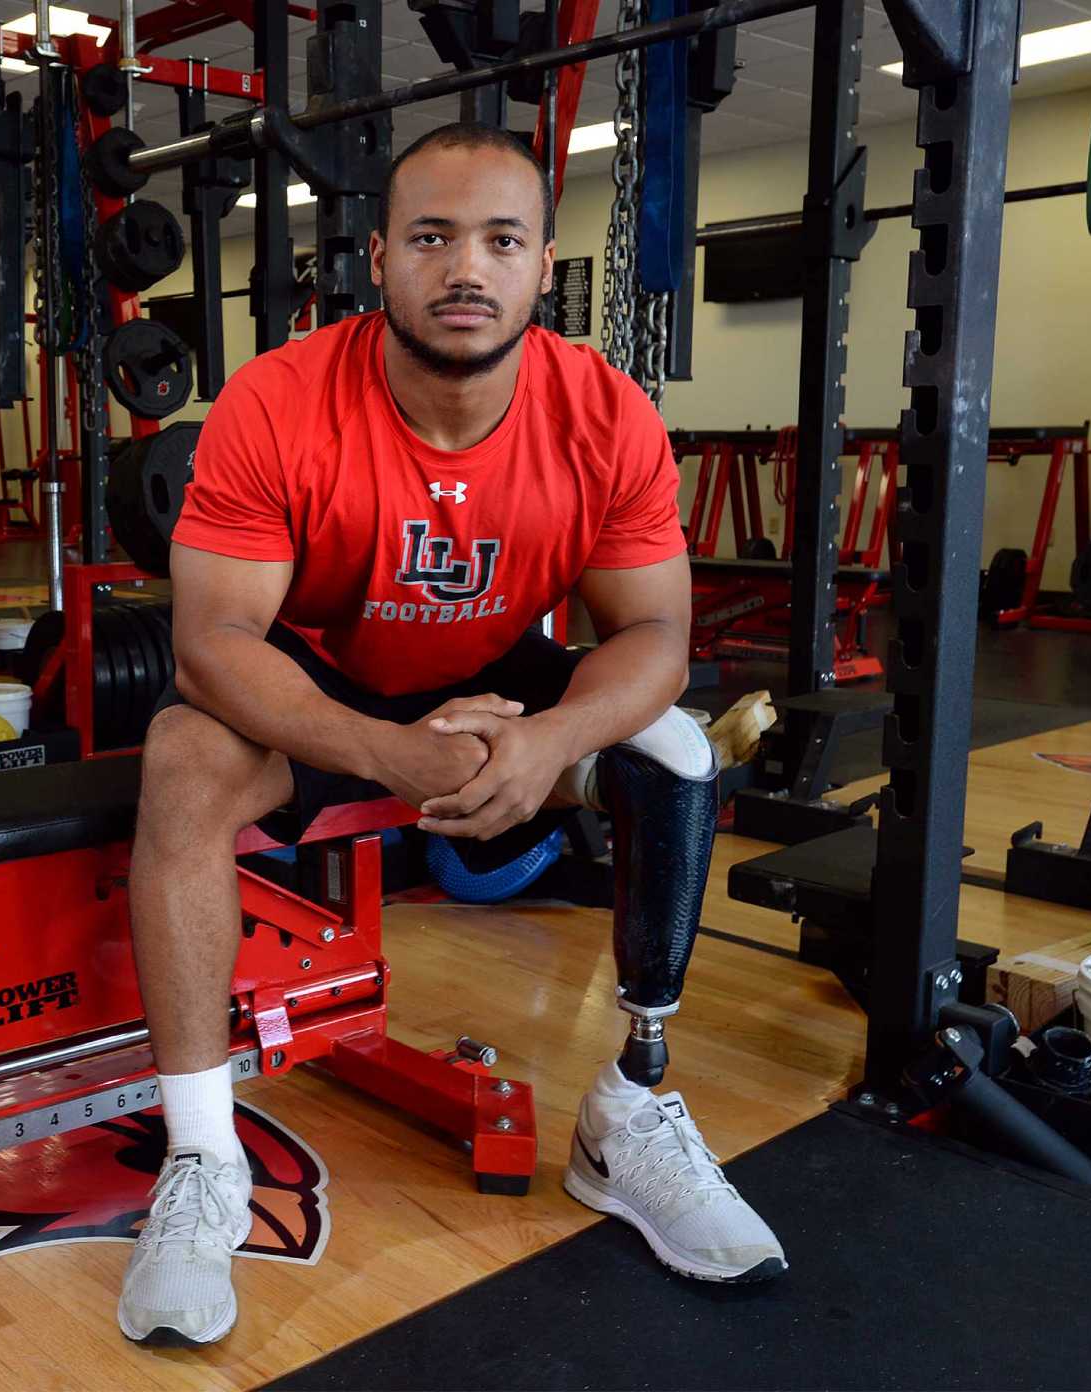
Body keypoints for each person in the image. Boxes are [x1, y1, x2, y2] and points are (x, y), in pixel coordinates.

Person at [113, 121, 787, 1348]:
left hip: (496, 675)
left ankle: (627, 1110)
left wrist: (546, 741)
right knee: (183, 762)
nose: (463, 268)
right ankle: (203, 1163)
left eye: (499, 240)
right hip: (318, 668)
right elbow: (212, 642)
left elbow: (651, 638)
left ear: (540, 267)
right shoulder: (276, 400)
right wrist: (380, 751)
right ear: (377, 260)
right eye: (431, 238)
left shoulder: (606, 414)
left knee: (675, 751)